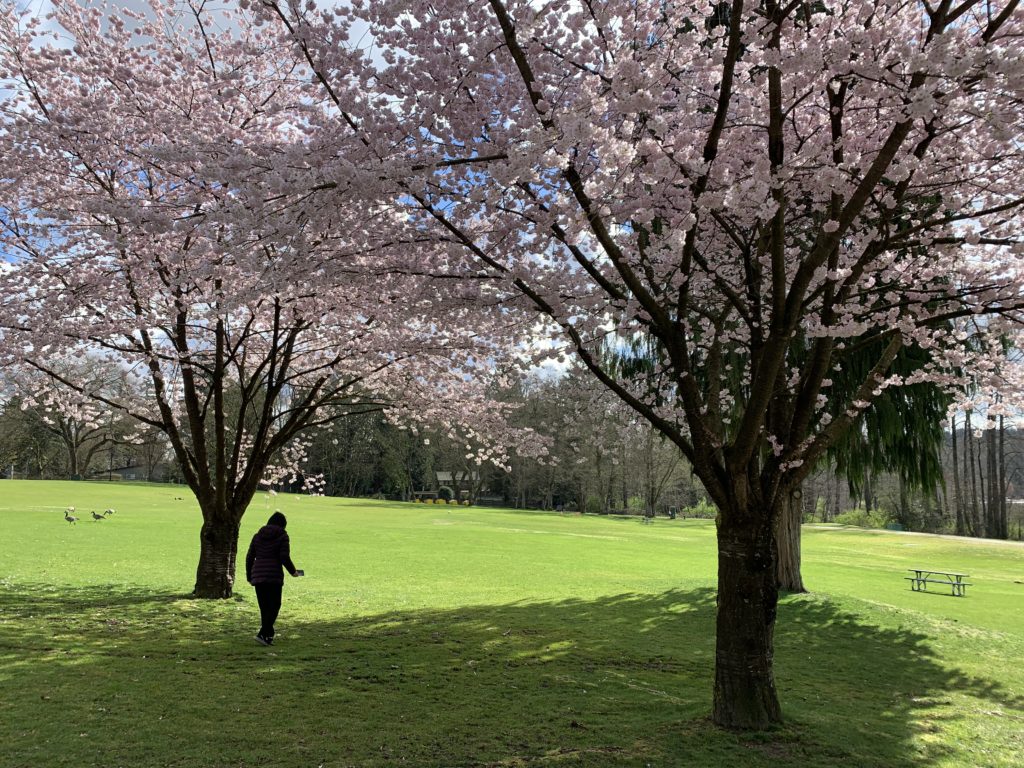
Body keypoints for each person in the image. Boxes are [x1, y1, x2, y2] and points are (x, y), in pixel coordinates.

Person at [245, 511, 301, 646]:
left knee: (264, 608)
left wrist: (249, 575)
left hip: (258, 574)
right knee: (275, 606)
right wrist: (293, 572)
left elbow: (250, 557)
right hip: (274, 575)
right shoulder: (282, 536)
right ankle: (262, 634)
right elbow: (284, 557)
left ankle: (267, 636)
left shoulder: (257, 536)